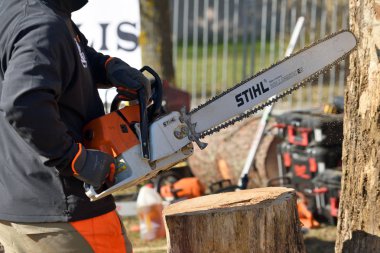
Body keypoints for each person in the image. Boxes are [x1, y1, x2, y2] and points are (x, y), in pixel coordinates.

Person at [0, 0, 150, 252]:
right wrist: (75, 158)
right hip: (63, 213)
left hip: (16, 203)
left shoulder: (22, 10)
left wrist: (107, 66)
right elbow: (24, 104)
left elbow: (68, 53)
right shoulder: (42, 24)